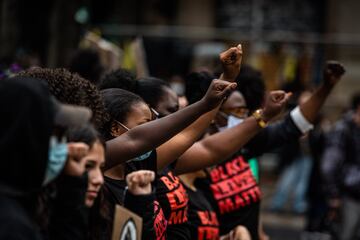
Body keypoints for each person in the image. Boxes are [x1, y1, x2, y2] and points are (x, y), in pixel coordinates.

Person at [192, 61, 345, 240]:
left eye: (244, 112)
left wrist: (325, 88)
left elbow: (293, 126)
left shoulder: (245, 144)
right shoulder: (194, 158)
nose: (241, 118)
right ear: (214, 114)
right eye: (235, 111)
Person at [0, 76, 92, 240]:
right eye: (57, 135)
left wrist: (71, 187)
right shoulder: (12, 227)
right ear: (29, 139)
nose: (63, 147)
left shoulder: (22, 202)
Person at [321, 92, 360, 240]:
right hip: (349, 194)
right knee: (346, 233)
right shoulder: (344, 129)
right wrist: (334, 195)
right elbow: (329, 166)